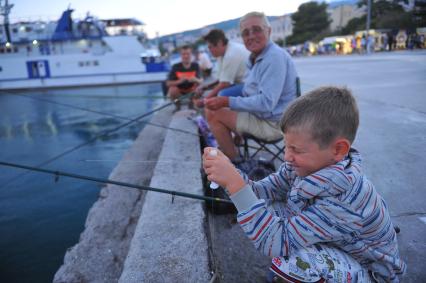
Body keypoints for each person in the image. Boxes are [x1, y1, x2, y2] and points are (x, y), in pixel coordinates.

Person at [203, 86, 406, 283]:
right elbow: (265, 191)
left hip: (370, 271)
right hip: (339, 245)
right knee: (270, 209)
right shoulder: (301, 166)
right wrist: (230, 174)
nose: (287, 157)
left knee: (296, 261)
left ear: (338, 150)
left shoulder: (344, 201)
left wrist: (235, 184)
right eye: (286, 146)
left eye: (296, 150)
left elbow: (274, 241)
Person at [204, 12, 298, 161]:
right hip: (264, 116)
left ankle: (234, 164)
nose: (251, 36)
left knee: (213, 113)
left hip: (273, 125)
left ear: (269, 31)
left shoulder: (273, 57)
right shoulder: (256, 57)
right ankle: (232, 145)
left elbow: (266, 102)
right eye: (246, 33)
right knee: (220, 104)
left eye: (257, 30)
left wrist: (227, 102)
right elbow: (249, 92)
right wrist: (225, 101)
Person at [194, 29, 249, 107]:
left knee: (221, 95)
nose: (209, 51)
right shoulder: (221, 54)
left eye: (210, 47)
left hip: (252, 85)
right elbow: (222, 80)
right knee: (216, 95)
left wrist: (204, 101)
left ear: (219, 43)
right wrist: (205, 87)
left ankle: (230, 118)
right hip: (240, 83)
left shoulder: (231, 54)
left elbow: (225, 84)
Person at [165, 45, 202, 111]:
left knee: (199, 88)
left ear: (191, 55)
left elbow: (201, 80)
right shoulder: (175, 67)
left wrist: (195, 79)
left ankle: (192, 104)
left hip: (192, 90)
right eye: (183, 54)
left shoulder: (196, 65)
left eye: (188, 54)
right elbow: (168, 83)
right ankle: (177, 105)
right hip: (179, 91)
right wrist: (180, 81)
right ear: (180, 55)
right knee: (172, 90)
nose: (186, 56)